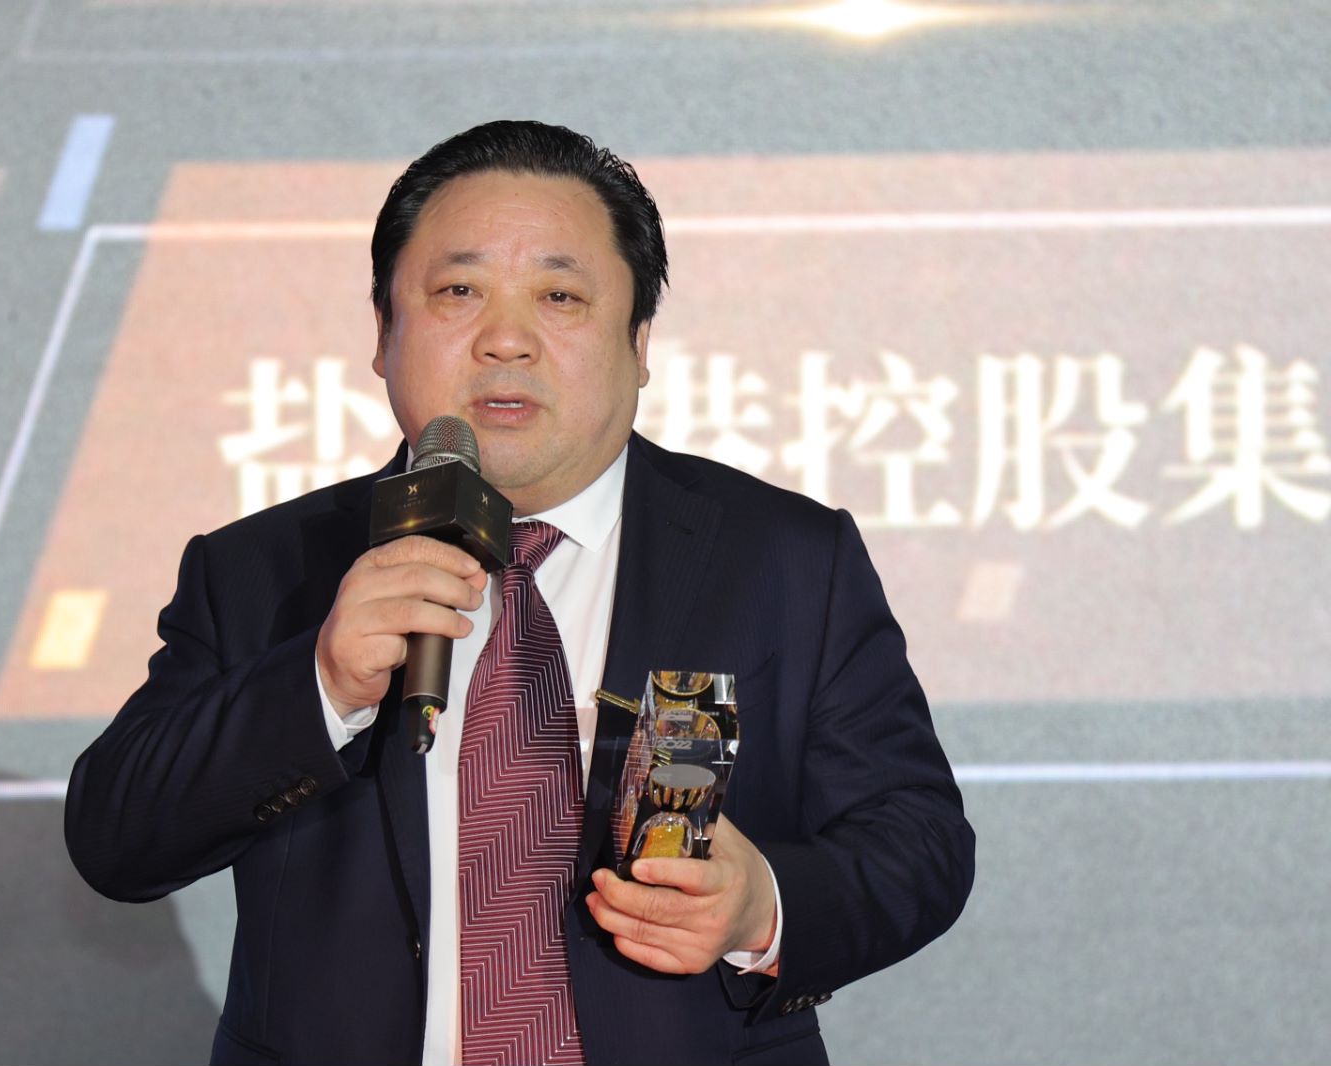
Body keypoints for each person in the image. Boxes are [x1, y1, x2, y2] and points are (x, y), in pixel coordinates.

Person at [64, 119, 975, 1066]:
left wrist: (762, 906)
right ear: (383, 333)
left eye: (559, 295)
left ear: (639, 341)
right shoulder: (262, 570)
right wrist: (320, 685)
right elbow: (115, 840)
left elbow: (919, 844)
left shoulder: (785, 560)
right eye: (458, 291)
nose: (506, 340)